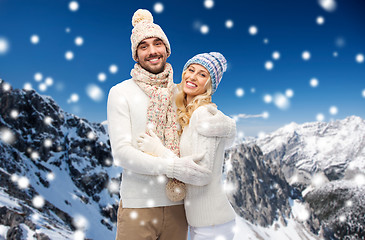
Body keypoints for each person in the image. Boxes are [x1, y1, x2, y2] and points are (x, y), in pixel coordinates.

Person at [107, 9, 229, 240]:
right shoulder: (121, 92)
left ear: (167, 49)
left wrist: (227, 127)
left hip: (179, 206)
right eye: (144, 46)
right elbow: (122, 153)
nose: (152, 51)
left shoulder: (180, 92)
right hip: (138, 207)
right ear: (136, 54)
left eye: (157, 44)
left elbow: (204, 123)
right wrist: (172, 167)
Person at [137, 52, 237, 239]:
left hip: (212, 224)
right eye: (190, 70)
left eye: (202, 74)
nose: (192, 76)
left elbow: (202, 175)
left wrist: (158, 150)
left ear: (210, 84)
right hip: (204, 222)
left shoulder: (202, 115)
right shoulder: (191, 115)